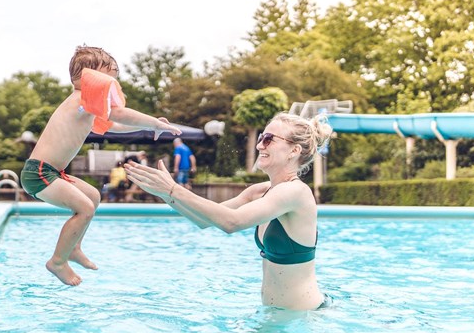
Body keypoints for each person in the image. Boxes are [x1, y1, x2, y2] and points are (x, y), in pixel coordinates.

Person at [126, 112, 333, 311]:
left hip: (304, 316)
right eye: (261, 137)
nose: (260, 145)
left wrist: (173, 189)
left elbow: (232, 222)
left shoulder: (296, 192)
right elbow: (204, 220)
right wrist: (165, 194)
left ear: (294, 151)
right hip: (279, 316)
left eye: (269, 139)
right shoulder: (260, 191)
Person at [20, 45, 181, 286]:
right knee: (85, 208)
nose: (113, 82)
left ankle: (74, 248)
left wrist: (149, 125)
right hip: (39, 173)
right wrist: (154, 123)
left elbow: (115, 125)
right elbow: (119, 114)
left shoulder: (87, 106)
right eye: (110, 75)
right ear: (91, 75)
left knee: (93, 196)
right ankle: (57, 261)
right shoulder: (80, 100)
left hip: (54, 173)